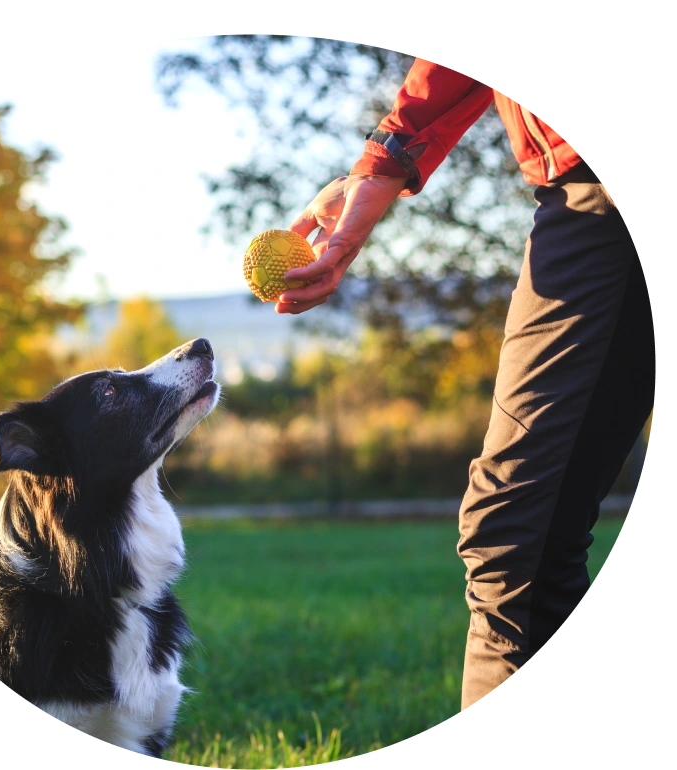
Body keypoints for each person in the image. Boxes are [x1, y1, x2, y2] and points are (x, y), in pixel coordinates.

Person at [278, 57, 657, 711]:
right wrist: (378, 171)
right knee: (530, 534)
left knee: (513, 536)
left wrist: (380, 170)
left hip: (593, 200)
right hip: (584, 195)